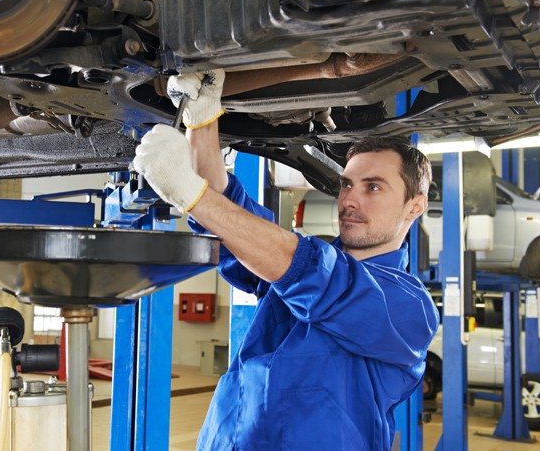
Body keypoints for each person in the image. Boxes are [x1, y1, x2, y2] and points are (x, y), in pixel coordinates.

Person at [134, 69, 440, 450]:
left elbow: (312, 275)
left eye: (373, 187)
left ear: (415, 206)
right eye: (346, 184)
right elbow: (233, 225)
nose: (349, 200)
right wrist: (203, 119)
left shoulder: (409, 306)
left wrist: (190, 194)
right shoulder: (296, 261)